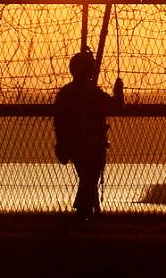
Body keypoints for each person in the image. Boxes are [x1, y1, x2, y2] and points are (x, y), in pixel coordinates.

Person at [53, 50, 124, 220]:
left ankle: (86, 211)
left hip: (73, 144)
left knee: (88, 177)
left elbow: (58, 122)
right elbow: (115, 106)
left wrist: (61, 143)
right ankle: (83, 210)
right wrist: (119, 91)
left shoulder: (65, 93)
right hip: (92, 144)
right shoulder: (92, 93)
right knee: (90, 177)